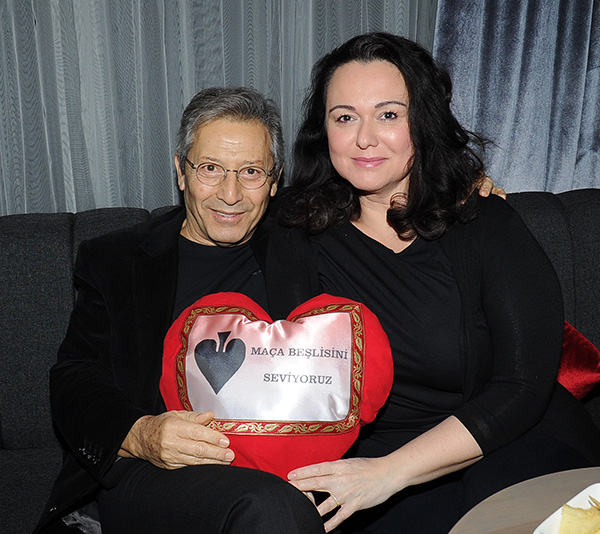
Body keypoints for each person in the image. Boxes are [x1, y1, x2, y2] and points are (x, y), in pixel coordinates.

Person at [266, 32, 600, 533]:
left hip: (508, 440)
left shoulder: (484, 223)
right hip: (370, 468)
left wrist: (390, 473)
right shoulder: (295, 227)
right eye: (344, 117)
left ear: (423, 121)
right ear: (323, 130)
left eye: (388, 115)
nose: (364, 138)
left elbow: (522, 387)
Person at [35, 87, 326, 534]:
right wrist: (143, 434)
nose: (230, 194)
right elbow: (75, 377)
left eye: (251, 171)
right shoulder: (117, 260)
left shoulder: (306, 245)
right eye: (210, 168)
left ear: (274, 180)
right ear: (181, 171)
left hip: (276, 466)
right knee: (271, 507)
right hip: (153, 472)